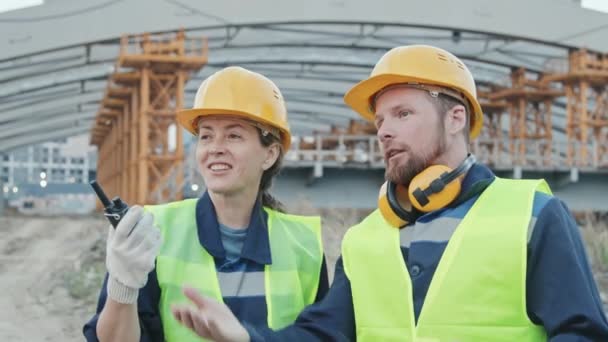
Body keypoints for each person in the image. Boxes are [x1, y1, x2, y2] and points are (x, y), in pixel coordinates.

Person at [168, 45, 608, 341]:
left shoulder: (533, 215)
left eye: (402, 113)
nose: (386, 131)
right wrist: (249, 338)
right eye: (380, 121)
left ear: (456, 118)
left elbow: (581, 332)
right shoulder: (367, 238)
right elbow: (323, 334)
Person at [82, 66, 329, 341]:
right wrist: (122, 288)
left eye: (233, 135)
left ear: (269, 154)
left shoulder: (304, 245)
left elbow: (321, 335)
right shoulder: (153, 232)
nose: (215, 147)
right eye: (206, 136)